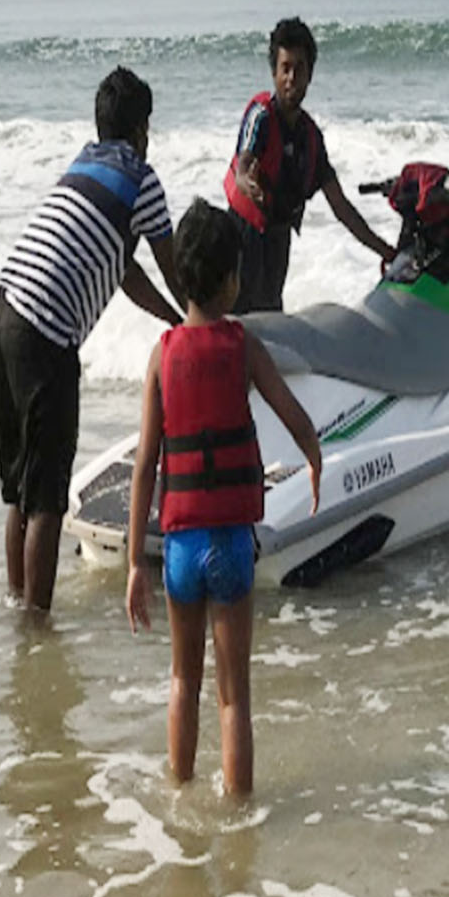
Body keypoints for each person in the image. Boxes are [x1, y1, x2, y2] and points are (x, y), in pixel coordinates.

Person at [125, 197, 322, 796]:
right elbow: (294, 416)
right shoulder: (243, 348)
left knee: (183, 680)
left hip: (181, 547)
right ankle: (240, 824)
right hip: (232, 544)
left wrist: (136, 561)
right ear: (232, 281)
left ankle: (180, 797)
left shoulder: (161, 357)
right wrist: (315, 460)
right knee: (234, 694)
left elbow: (144, 465)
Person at [0, 66, 186, 614]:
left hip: (2, 315)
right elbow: (170, 266)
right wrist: (202, 317)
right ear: (143, 128)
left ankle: (18, 607)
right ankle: (36, 630)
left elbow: (122, 269)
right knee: (47, 499)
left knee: (20, 491)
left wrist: (173, 319)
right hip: (45, 333)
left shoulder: (85, 165)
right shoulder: (141, 179)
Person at [224, 15, 395, 313]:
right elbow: (244, 161)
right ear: (274, 74)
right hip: (241, 239)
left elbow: (342, 209)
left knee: (270, 323)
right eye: (285, 68)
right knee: (235, 328)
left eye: (299, 69)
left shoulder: (311, 140)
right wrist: (245, 182)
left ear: (310, 75)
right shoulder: (261, 117)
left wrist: (386, 251)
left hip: (277, 246)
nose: (291, 78)